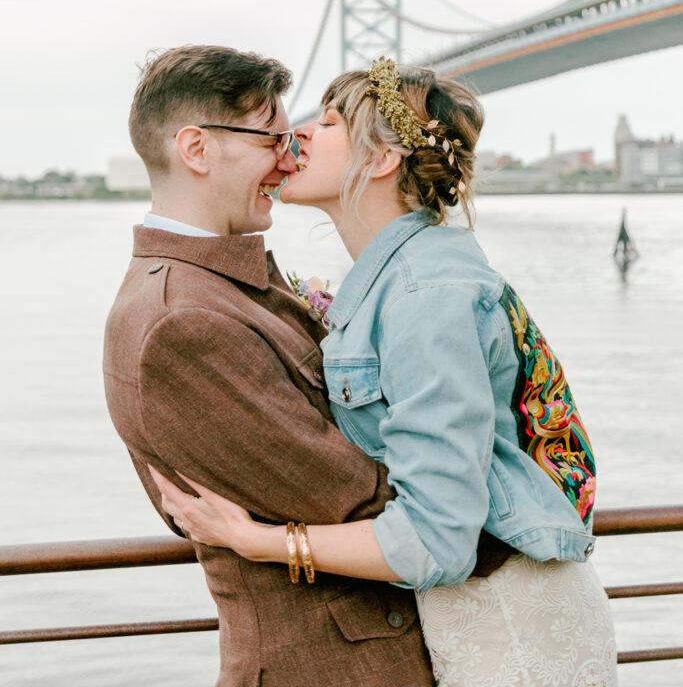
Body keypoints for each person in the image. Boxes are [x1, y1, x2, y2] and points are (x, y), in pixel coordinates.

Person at [152, 57, 618, 687]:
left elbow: (439, 538)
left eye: (333, 121)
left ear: (380, 160)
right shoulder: (400, 283)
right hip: (479, 615)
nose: (302, 134)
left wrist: (261, 540)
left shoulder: (425, 296)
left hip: (510, 634)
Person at [103, 46, 436, 687]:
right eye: (272, 138)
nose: (290, 158)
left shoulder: (217, 286)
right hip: (333, 669)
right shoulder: (183, 324)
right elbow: (364, 503)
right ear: (197, 150)